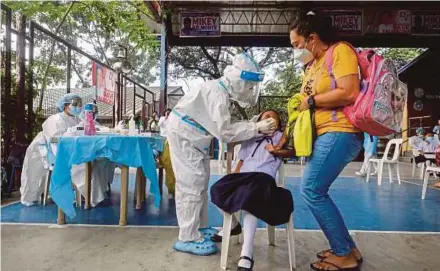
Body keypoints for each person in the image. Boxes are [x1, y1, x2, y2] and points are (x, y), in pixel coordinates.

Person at [167, 52, 276, 256]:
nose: (250, 90)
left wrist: (253, 125)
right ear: (240, 81)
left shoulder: (222, 92)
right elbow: (225, 132)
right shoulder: (217, 94)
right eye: (250, 86)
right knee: (192, 183)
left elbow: (226, 125)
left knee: (200, 182)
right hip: (185, 136)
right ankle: (187, 237)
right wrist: (256, 127)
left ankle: (198, 228)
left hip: (194, 137)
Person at [289, 11, 363, 271]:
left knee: (311, 191)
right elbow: (304, 99)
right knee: (316, 191)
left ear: (312, 38)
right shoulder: (312, 66)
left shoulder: (340, 52)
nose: (295, 51)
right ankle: (348, 247)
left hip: (340, 131)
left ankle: (344, 254)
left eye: (296, 45)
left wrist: (310, 101)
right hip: (324, 133)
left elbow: (349, 92)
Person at [210, 110, 294, 270]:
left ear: (278, 124)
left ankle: (247, 253)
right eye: (265, 116)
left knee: (252, 197)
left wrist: (276, 150)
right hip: (244, 177)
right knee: (217, 188)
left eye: (273, 117)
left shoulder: (279, 138)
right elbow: (241, 162)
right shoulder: (250, 138)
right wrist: (232, 179)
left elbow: (293, 150)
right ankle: (234, 225)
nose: (269, 118)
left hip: (263, 180)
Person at [20, 94, 114, 207]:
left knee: (103, 160)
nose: (78, 107)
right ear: (65, 106)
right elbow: (57, 140)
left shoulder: (77, 118)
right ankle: (92, 197)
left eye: (80, 104)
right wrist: (74, 131)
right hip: (57, 154)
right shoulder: (55, 120)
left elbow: (93, 126)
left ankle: (96, 193)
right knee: (83, 165)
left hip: (75, 151)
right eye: (75, 104)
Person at [157, 109, 176, 198]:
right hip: (164, 142)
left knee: (174, 169)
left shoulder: (174, 120)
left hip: (173, 143)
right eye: (167, 113)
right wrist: (166, 118)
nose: (168, 114)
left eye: (169, 113)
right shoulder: (162, 119)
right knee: (168, 166)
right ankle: (170, 190)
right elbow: (159, 125)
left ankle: (174, 189)